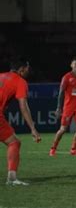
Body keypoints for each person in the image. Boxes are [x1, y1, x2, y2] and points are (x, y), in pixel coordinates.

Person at [0, 58, 41, 186]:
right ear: (21, 69)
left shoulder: (1, 76)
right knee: (14, 142)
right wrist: (33, 128)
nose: (29, 71)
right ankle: (12, 178)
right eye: (28, 68)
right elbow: (23, 107)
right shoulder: (20, 82)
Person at [50, 57, 76, 156]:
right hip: (68, 108)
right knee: (63, 129)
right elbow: (61, 93)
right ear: (71, 65)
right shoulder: (66, 77)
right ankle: (53, 148)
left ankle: (73, 149)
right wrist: (59, 107)